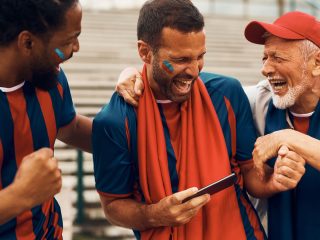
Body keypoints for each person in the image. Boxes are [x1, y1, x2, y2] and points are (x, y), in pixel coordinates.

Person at [93, 1, 306, 239]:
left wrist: (273, 180)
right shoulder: (113, 121)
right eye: (181, 59)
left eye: (200, 57)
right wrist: (155, 214)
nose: (194, 71)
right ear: (144, 52)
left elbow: (248, 172)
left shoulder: (227, 93)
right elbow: (112, 206)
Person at [0, 0, 92, 238]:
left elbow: (69, 127)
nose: (77, 47)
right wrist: (21, 195)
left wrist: (137, 136)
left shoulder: (49, 77)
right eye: (69, 40)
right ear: (27, 42)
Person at [243, 11, 320, 240]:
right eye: (264, 58)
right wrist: (133, 75)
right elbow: (206, 88)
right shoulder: (261, 99)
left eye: (277, 58)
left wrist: (287, 137)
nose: (266, 69)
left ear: (317, 63)